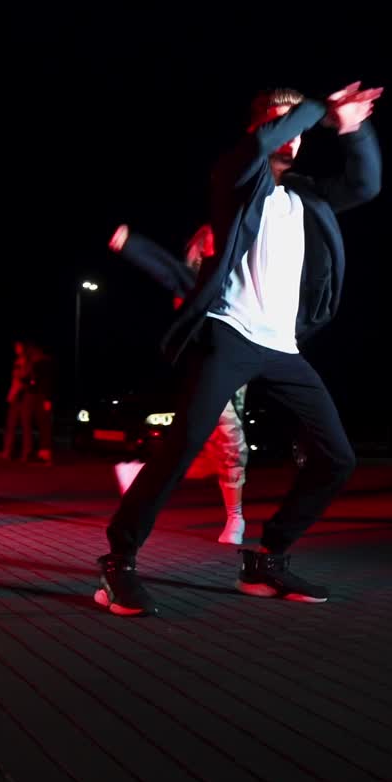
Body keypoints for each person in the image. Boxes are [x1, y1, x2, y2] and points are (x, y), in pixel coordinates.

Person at [95, 82, 382, 614]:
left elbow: (365, 184)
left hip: (282, 347)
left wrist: (352, 126)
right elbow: (262, 145)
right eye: (282, 125)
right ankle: (119, 562)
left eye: (298, 130)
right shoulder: (236, 178)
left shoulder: (307, 197)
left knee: (337, 457)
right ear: (260, 129)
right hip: (229, 336)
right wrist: (318, 110)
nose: (292, 139)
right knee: (183, 447)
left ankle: (267, 561)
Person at [108, 223, 249, 544]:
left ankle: (140, 474)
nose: (219, 246)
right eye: (212, 244)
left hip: (239, 363)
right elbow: (172, 275)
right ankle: (235, 519)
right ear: (200, 250)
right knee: (230, 437)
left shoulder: (236, 275)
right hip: (211, 366)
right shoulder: (195, 283)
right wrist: (133, 245)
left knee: (208, 451)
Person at [0, 340, 32, 459]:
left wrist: (22, 384)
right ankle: (7, 451)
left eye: (18, 346)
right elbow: (16, 378)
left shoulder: (28, 360)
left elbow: (25, 377)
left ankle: (26, 453)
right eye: (15, 346)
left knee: (25, 424)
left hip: (23, 394)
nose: (16, 348)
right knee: (10, 423)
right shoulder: (17, 360)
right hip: (15, 394)